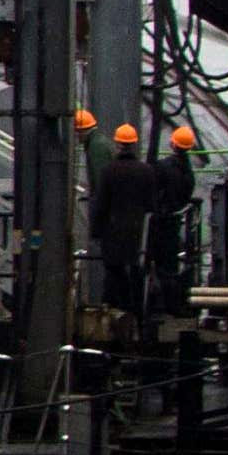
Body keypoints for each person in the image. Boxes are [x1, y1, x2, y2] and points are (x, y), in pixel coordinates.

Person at [91, 123, 162, 326]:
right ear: (134, 144)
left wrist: (96, 231)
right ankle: (138, 315)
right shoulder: (146, 171)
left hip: (113, 233)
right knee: (137, 273)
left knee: (114, 273)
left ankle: (117, 313)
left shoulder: (108, 171)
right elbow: (152, 205)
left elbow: (101, 203)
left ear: (117, 144)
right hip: (139, 233)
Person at [150, 123, 199, 312]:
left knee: (155, 263)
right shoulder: (188, 173)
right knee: (170, 265)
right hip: (174, 222)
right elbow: (186, 196)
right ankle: (172, 304)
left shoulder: (163, 167)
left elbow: (154, 190)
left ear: (173, 144)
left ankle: (158, 305)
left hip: (159, 222)